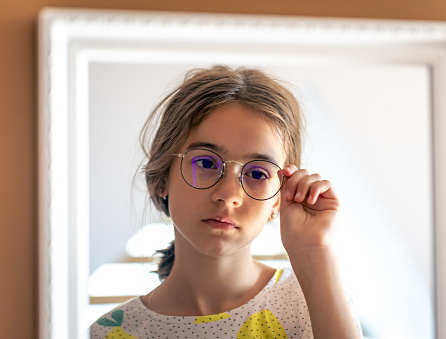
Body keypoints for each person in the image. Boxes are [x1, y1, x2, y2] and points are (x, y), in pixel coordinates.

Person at [89, 65, 363, 339]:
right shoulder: (110, 332)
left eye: (257, 173)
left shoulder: (314, 304)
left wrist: (314, 252)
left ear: (278, 200)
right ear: (162, 177)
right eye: (206, 163)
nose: (229, 194)